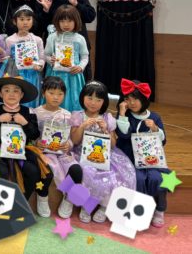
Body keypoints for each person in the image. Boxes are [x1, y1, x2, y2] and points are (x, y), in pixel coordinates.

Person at [0, 63, 54, 217]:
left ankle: (22, 203)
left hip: (23, 150)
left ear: (22, 95)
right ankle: (1, 206)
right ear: (0, 93)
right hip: (0, 150)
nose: (11, 94)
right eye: (7, 90)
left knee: (33, 171)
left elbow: (34, 135)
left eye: (16, 91)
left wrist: (25, 123)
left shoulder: (29, 112)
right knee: (2, 171)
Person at [70, 80, 136, 223]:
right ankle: (87, 205)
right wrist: (82, 126)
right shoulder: (78, 115)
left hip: (105, 155)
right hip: (82, 153)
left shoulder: (108, 118)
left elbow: (113, 145)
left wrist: (105, 130)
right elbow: (74, 140)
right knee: (87, 172)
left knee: (115, 174)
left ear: (104, 101)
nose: (93, 103)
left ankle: (104, 207)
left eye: (98, 100)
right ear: (82, 97)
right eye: (90, 98)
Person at [116, 78, 169, 228]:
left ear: (144, 99)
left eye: (136, 99)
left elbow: (163, 141)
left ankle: (159, 209)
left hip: (151, 159)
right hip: (129, 157)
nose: (132, 103)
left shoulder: (155, 117)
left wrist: (155, 129)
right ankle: (139, 212)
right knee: (137, 178)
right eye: (128, 99)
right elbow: (123, 134)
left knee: (157, 178)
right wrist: (122, 113)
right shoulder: (125, 115)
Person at [32, 76, 83, 218]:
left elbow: (70, 138)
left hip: (63, 154)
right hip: (44, 153)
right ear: (43, 93)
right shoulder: (35, 113)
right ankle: (42, 197)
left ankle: (69, 199)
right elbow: (31, 136)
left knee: (76, 170)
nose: (56, 97)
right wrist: (37, 143)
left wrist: (68, 145)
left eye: (60, 94)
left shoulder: (67, 114)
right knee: (45, 169)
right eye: (51, 93)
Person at [35, 0, 95, 80]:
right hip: (54, 46)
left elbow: (90, 16)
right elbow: (38, 26)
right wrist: (46, 10)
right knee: (54, 85)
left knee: (79, 81)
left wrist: (76, 3)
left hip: (77, 44)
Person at [44, 5, 88, 112]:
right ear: (57, 22)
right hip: (55, 75)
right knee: (54, 96)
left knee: (74, 98)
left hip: (73, 75)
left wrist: (80, 67)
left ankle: (73, 120)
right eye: (62, 21)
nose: (66, 24)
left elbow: (85, 56)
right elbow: (45, 55)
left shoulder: (80, 38)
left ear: (76, 21)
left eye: (69, 21)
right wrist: (50, 60)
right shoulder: (52, 37)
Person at [0, 5, 45, 108]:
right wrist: (7, 59)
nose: (25, 22)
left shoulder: (37, 40)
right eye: (22, 19)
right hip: (16, 74)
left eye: (28, 19)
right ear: (14, 21)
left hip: (32, 74)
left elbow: (42, 58)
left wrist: (39, 65)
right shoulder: (10, 40)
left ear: (33, 20)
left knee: (30, 97)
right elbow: (6, 57)